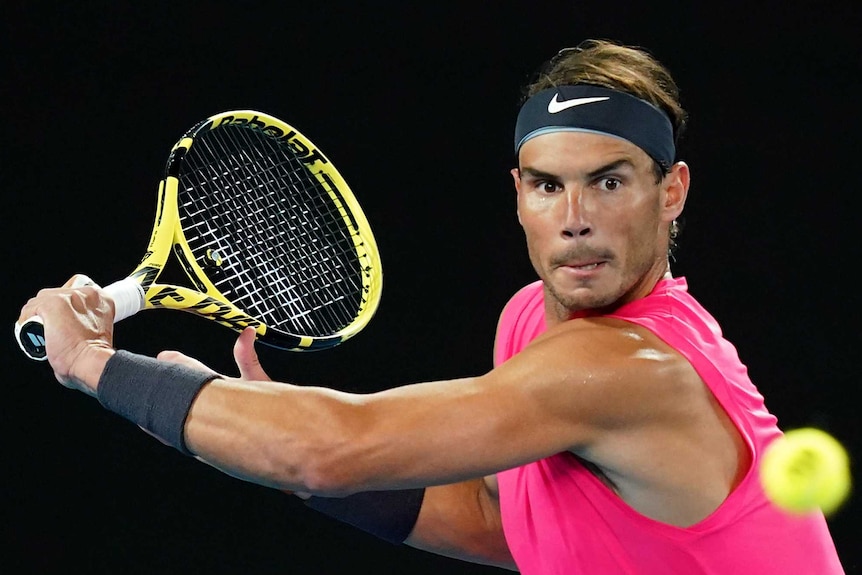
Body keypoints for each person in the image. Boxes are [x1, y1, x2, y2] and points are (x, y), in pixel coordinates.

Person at [18, 39, 845, 573]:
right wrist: (248, 435)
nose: (576, 216)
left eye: (610, 181)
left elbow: (329, 451)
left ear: (672, 191)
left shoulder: (630, 367)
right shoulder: (530, 317)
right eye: (549, 185)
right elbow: (498, 518)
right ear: (518, 194)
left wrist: (93, 363)